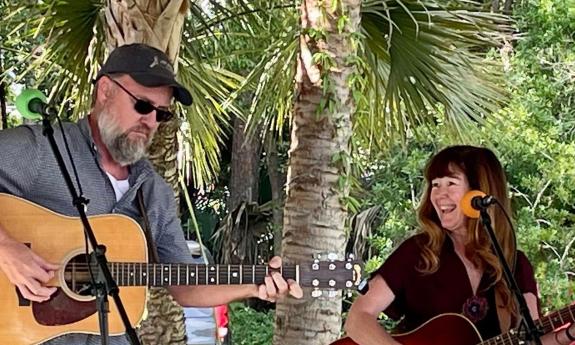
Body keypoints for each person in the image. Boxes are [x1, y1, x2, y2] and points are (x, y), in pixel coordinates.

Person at [0, 43, 303, 345]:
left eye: (162, 114)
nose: (150, 122)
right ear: (105, 91)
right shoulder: (44, 149)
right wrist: (7, 249)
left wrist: (254, 284)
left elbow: (186, 286)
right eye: (142, 106)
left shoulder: (153, 190)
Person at [344, 145, 575, 345]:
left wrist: (567, 334)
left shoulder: (514, 263)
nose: (438, 195)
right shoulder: (418, 253)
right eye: (435, 184)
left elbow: (530, 338)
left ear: (479, 192)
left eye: (450, 183)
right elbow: (358, 318)